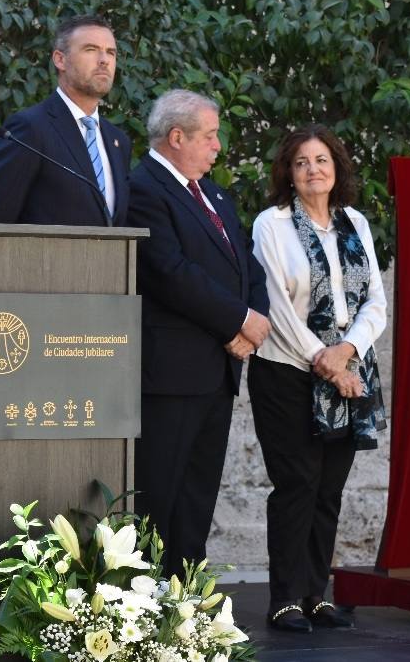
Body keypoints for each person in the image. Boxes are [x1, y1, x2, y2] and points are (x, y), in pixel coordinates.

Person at [249, 124, 388, 632]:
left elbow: (376, 301)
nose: (313, 169)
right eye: (302, 161)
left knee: (329, 488)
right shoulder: (272, 224)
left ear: (337, 168)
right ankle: (284, 599)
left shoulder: (356, 223)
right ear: (288, 171)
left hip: (349, 371)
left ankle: (314, 594)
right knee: (297, 484)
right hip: (286, 370)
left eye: (322, 160)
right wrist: (324, 359)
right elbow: (277, 309)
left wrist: (347, 352)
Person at [127, 89, 270, 578]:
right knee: (158, 497)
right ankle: (147, 608)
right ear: (176, 136)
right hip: (170, 375)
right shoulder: (144, 188)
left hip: (216, 371)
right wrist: (236, 322)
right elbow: (169, 271)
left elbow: (246, 266)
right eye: (209, 137)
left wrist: (253, 322)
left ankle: (187, 606)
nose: (218, 147)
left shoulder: (213, 193)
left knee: (196, 497)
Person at [0, 14, 131, 226]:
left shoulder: (118, 141)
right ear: (60, 59)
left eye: (111, 52)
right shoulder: (29, 129)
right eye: (91, 49)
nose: (104, 60)